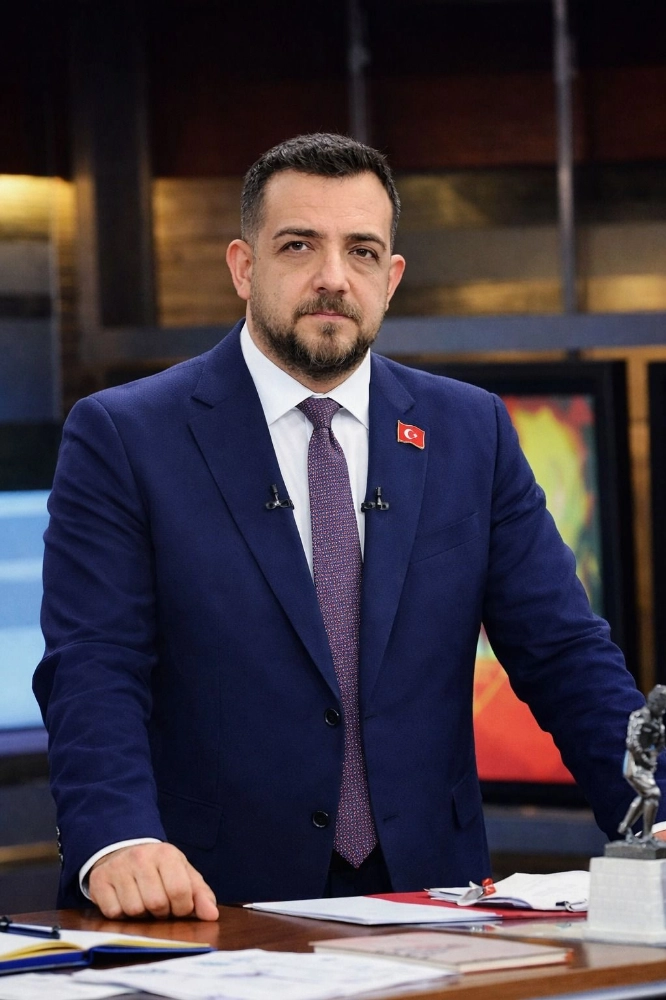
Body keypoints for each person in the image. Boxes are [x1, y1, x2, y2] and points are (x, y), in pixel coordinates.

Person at [34, 132, 663, 922]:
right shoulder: (125, 436)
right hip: (207, 904)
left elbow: (564, 653)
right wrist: (118, 838)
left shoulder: (471, 431)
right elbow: (94, 665)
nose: (333, 277)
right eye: (299, 245)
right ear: (243, 266)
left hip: (433, 905)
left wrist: (654, 814)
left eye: (361, 251)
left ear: (390, 278)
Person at [618, 685, 666, 842]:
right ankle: (646, 835)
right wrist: (646, 759)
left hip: (649, 765)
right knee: (652, 794)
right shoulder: (640, 718)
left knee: (647, 796)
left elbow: (659, 744)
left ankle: (626, 825)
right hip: (635, 764)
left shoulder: (658, 722)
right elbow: (633, 744)